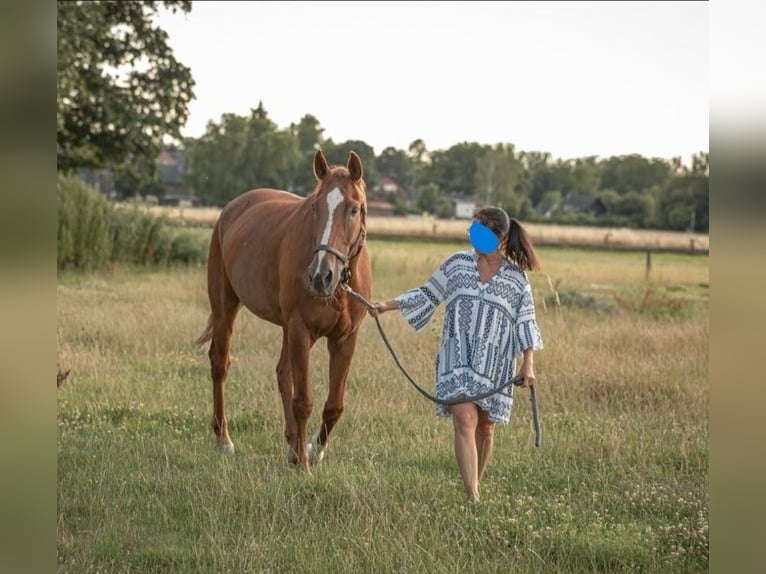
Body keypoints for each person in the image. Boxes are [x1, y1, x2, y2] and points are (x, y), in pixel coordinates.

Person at [368, 207, 543, 503]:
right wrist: (386, 305)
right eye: (471, 232)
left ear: (499, 237)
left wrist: (528, 364)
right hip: (457, 355)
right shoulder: (457, 264)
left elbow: (526, 321)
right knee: (464, 419)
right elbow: (427, 293)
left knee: (486, 428)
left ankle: (475, 483)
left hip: (495, 362)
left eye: (480, 234)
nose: (473, 239)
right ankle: (473, 496)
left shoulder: (516, 279)